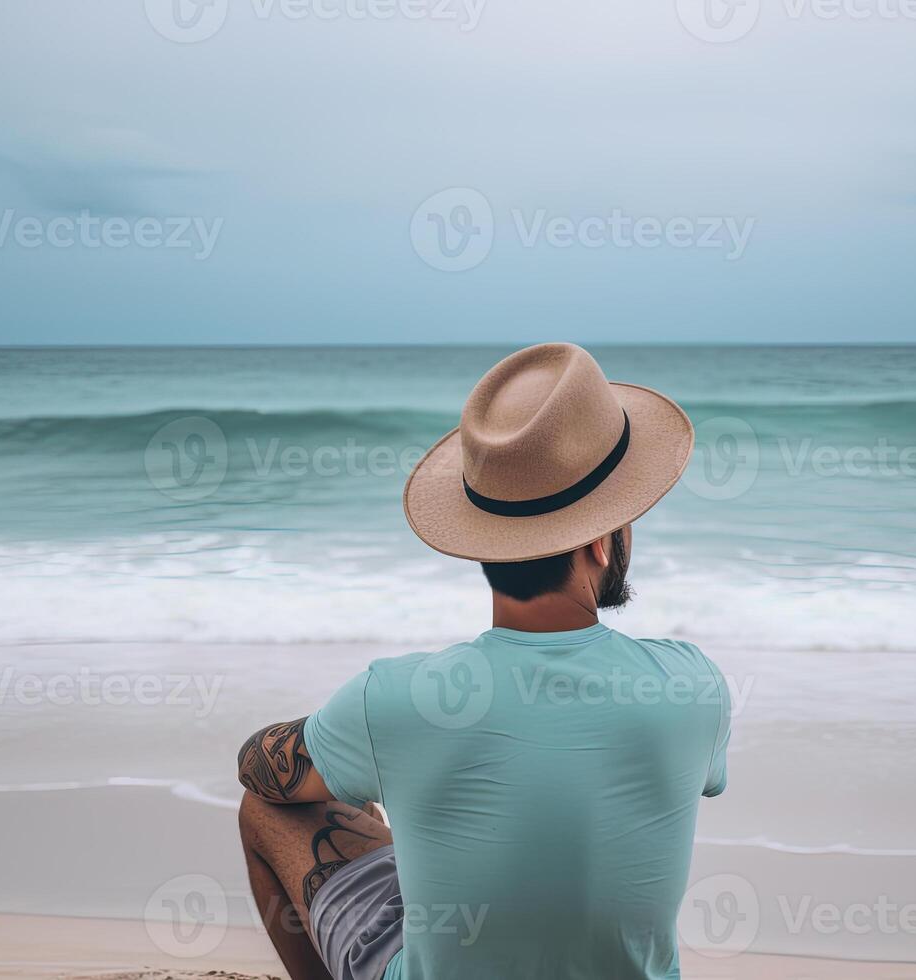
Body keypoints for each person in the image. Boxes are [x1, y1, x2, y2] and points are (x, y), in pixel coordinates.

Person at [237, 342, 730, 980]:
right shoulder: (694, 686)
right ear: (602, 542)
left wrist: (357, 740)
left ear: (483, 542)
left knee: (270, 809)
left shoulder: (395, 697)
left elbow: (259, 771)